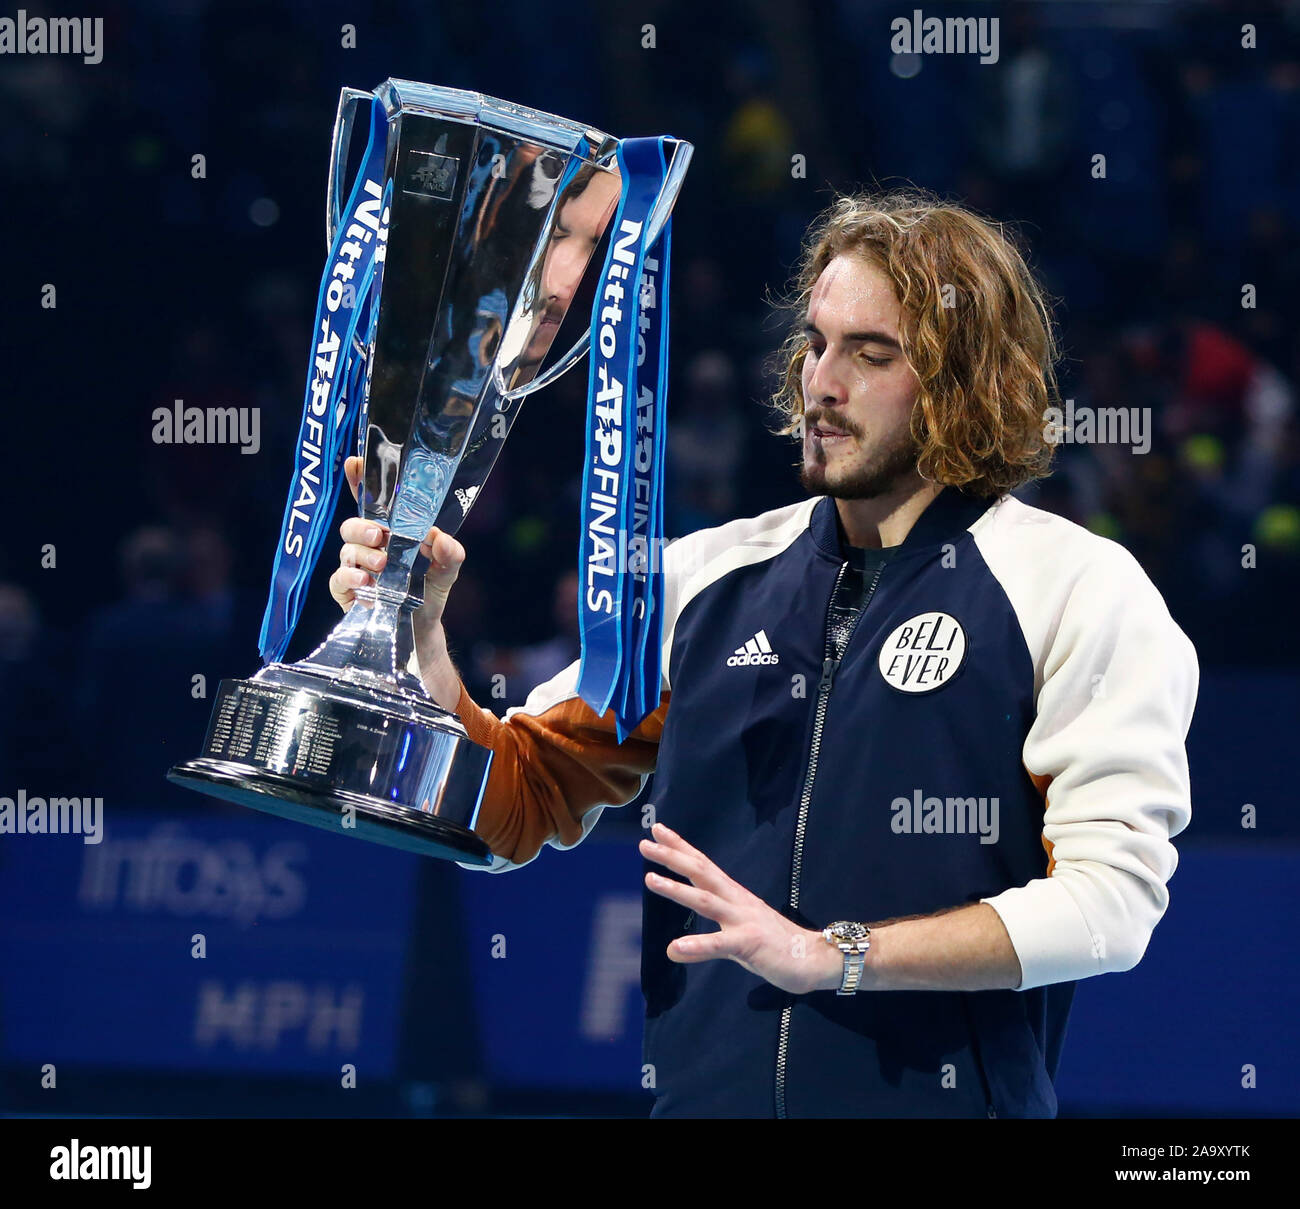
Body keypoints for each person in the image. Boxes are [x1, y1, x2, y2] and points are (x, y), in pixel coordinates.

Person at [330, 189, 1199, 1119]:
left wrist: (837, 955)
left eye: (871, 354)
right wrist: (419, 636)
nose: (821, 382)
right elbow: (517, 800)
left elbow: (1111, 905)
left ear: (964, 381)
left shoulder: (1077, 590)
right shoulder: (702, 579)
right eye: (816, 343)